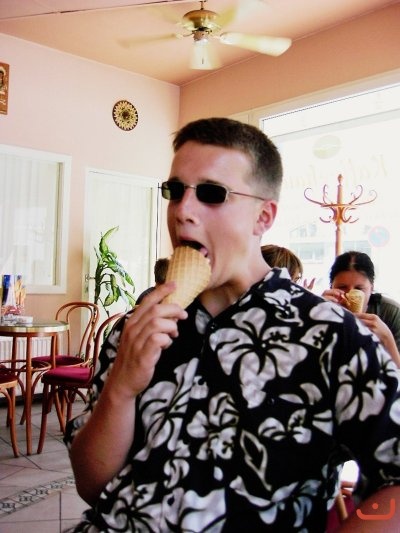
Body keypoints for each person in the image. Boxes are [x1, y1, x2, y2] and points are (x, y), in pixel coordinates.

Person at [65, 118, 400, 532]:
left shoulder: (333, 336)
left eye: (212, 194)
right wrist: (121, 387)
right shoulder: (139, 326)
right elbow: (91, 485)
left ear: (264, 216)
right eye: (175, 191)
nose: (182, 211)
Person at [322, 250, 400, 368]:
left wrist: (386, 338)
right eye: (342, 287)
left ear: (371, 289)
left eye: (359, 288)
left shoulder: (390, 312)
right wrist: (318, 315)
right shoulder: (323, 310)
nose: (350, 294)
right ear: (331, 286)